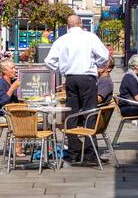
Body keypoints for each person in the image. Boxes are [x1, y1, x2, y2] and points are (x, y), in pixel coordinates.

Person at [46, 14, 109, 163]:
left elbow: (49, 61)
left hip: (71, 78)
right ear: (80, 23)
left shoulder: (62, 40)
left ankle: (74, 153)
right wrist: (96, 64)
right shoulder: (90, 37)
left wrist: (62, 68)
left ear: (68, 26)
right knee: (89, 113)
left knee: (72, 114)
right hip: (87, 78)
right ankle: (90, 153)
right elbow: (104, 56)